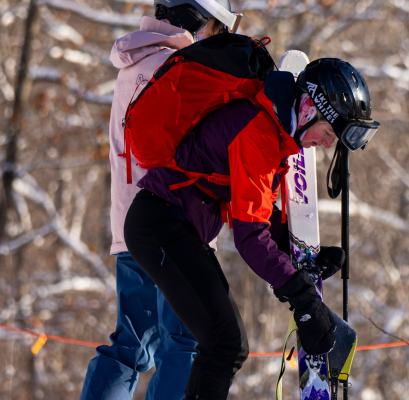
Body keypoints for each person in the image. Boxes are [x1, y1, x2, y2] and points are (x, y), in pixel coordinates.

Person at [123, 58, 379, 399]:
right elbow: (249, 237)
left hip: (173, 225)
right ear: (308, 109)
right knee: (224, 343)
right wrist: (304, 300)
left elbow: (257, 211)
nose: (328, 144)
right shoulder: (257, 131)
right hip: (161, 225)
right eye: (329, 133)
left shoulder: (271, 129)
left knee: (225, 343)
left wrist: (296, 254)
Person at [79, 1, 240, 399]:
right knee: (185, 339)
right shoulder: (176, 69)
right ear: (196, 18)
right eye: (215, 26)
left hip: (130, 224)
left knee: (132, 344)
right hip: (172, 224)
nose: (215, 37)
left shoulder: (135, 60)